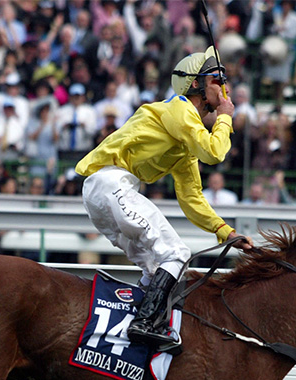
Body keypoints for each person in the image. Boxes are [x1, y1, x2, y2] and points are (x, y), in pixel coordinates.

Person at [75, 46, 252, 347]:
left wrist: (225, 231)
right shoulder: (179, 109)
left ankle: (131, 322)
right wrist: (225, 117)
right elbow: (214, 152)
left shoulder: (184, 141)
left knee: (158, 267)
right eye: (215, 80)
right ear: (194, 84)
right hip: (110, 183)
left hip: (106, 191)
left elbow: (192, 197)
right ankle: (144, 323)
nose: (223, 88)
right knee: (177, 255)